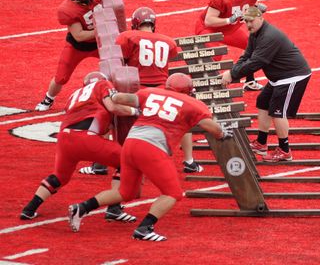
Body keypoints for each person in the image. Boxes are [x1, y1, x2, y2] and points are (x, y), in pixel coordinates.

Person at [68, 73, 232, 241]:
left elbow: (121, 98)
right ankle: (145, 228)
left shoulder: (151, 92)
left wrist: (112, 94)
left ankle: (81, 208)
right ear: (188, 91)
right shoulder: (193, 104)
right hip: (151, 148)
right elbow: (210, 127)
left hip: (130, 144)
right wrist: (222, 133)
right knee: (173, 193)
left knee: (125, 192)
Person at [80, 6, 203, 174]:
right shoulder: (168, 41)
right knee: (181, 115)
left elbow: (119, 62)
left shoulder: (127, 37)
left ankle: (100, 164)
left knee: (107, 111)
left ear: (136, 24)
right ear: (153, 24)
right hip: (162, 91)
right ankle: (190, 161)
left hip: (138, 92)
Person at [21, 72, 138, 222]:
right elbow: (112, 107)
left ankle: (29, 209)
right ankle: (114, 208)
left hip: (64, 139)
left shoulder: (74, 95)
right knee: (126, 161)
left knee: (59, 177)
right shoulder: (102, 84)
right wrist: (135, 111)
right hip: (86, 138)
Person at [221, 6, 312, 161]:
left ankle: (285, 151)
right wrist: (233, 71)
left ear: (261, 18)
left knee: (277, 112)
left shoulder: (269, 36)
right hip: (278, 77)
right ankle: (261, 143)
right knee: (262, 101)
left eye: (251, 21)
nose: (248, 24)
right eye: (246, 21)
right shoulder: (255, 34)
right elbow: (246, 56)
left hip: (292, 76)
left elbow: (256, 62)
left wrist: (232, 74)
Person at [35, 0, 107, 111]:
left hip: (100, 42)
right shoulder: (67, 10)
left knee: (119, 64)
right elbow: (79, 35)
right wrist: (102, 29)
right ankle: (48, 99)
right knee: (61, 77)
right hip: (78, 46)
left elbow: (112, 7)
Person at [195, 0, 267, 91]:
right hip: (209, 29)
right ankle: (198, 86)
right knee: (214, 55)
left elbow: (250, 6)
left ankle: (249, 82)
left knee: (251, 45)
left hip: (230, 29)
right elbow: (209, 21)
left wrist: (256, 9)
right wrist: (230, 19)